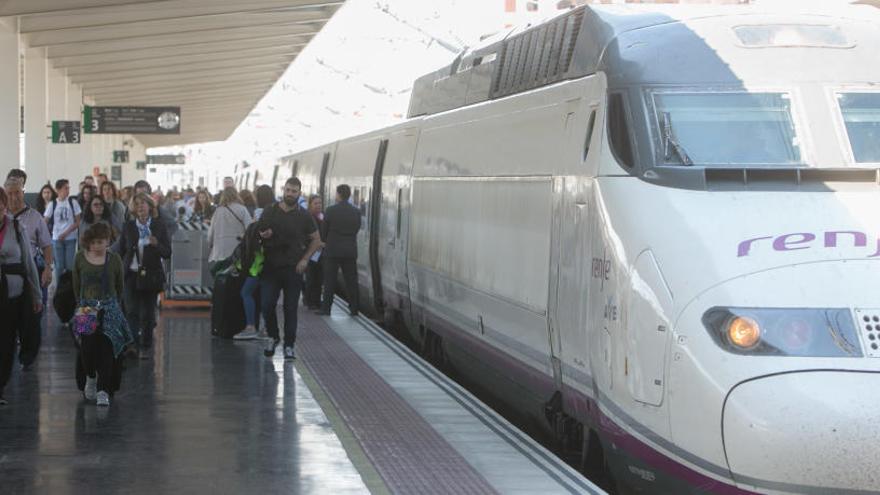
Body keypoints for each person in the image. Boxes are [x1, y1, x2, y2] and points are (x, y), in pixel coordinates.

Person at [256, 178, 321, 359]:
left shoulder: (304, 216)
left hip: (294, 268)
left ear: (299, 193)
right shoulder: (270, 211)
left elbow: (316, 240)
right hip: (270, 267)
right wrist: (263, 234)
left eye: (294, 191)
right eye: (288, 190)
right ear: (283, 190)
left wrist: (305, 259)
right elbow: (258, 232)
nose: (290, 194)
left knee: (290, 308)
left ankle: (289, 345)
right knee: (267, 304)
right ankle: (274, 336)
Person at [73, 223, 131, 406]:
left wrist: (113, 304)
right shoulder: (79, 258)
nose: (98, 246)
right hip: (86, 307)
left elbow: (120, 286)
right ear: (88, 242)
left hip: (110, 306)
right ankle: (90, 377)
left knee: (108, 349)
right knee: (87, 347)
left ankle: (103, 390)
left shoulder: (115, 260)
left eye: (102, 242)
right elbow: (76, 285)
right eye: (95, 242)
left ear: (108, 242)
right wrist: (82, 305)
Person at [0, 186, 42, 405]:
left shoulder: (17, 227)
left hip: (13, 294)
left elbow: (28, 262)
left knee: (6, 340)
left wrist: (36, 295)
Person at [5, 178, 52, 369]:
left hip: (31, 269)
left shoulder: (35, 217)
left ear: (23, 193)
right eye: (10, 193)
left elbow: (46, 245)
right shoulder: (3, 217)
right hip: (7, 274)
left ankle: (28, 355)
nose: (14, 197)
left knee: (32, 315)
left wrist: (48, 268)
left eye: (18, 192)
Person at [117, 193, 171, 355]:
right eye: (137, 204)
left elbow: (167, 252)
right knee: (131, 311)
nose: (140, 206)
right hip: (131, 274)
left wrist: (157, 244)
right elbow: (121, 250)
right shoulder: (128, 226)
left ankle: (146, 345)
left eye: (143, 203)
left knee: (148, 313)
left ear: (150, 206)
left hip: (151, 275)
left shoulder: (159, 225)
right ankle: (132, 345)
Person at [318, 184, 362, 317]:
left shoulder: (330, 210)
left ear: (338, 194)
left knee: (329, 281)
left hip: (332, 250)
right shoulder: (356, 211)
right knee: (351, 281)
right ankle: (354, 309)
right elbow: (356, 229)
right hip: (350, 251)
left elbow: (323, 232)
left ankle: (326, 309)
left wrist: (327, 240)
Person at [44, 179, 82, 281]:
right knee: (59, 266)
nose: (68, 190)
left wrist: (66, 233)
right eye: (66, 188)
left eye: (68, 188)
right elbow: (45, 221)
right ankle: (59, 289)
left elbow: (78, 222)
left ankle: (70, 288)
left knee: (70, 266)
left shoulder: (73, 202)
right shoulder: (52, 204)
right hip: (56, 238)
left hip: (70, 238)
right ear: (58, 190)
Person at [207, 187, 252, 266]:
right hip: (236, 251)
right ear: (236, 195)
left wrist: (210, 244)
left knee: (220, 275)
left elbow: (211, 233)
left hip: (219, 251)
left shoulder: (218, 211)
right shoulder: (242, 209)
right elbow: (250, 228)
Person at [304, 195, 325, 310]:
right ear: (310, 205)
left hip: (321, 253)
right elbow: (306, 235)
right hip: (311, 252)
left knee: (319, 278)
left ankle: (317, 300)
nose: (318, 206)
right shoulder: (308, 217)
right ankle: (309, 300)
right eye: (315, 203)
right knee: (311, 278)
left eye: (320, 203)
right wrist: (318, 243)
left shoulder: (323, 217)